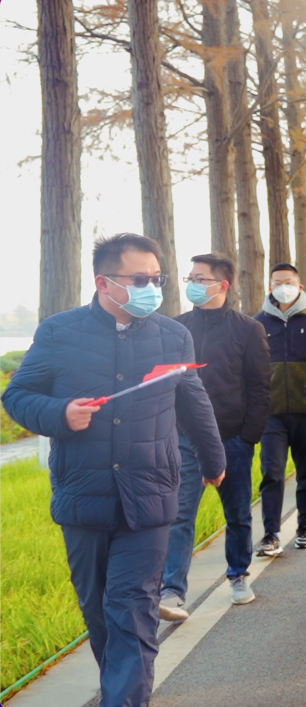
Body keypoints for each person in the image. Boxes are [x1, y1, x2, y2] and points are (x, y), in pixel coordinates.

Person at [2, 234, 224, 707]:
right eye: (140, 280)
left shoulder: (173, 335)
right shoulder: (59, 332)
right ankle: (120, 692)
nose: (152, 288)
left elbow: (193, 399)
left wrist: (214, 457)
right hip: (84, 496)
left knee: (132, 609)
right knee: (99, 612)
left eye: (157, 279)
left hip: (150, 494)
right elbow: (16, 395)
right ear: (104, 283)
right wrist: (60, 413)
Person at [159, 253, 271, 621]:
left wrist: (247, 437)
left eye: (200, 278)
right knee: (179, 514)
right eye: (190, 277)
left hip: (231, 437)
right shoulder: (176, 328)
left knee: (236, 513)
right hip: (183, 439)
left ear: (223, 285)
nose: (192, 284)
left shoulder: (248, 329)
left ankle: (238, 574)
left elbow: (260, 388)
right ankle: (172, 591)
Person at [254, 263, 306, 556]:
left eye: (288, 282)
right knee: (271, 473)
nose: (282, 287)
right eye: (277, 282)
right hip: (271, 413)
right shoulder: (258, 323)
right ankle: (270, 534)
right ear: (269, 287)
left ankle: (304, 527)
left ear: (300, 286)